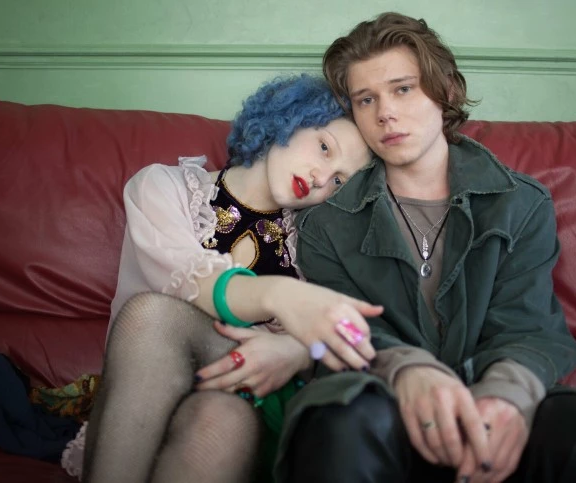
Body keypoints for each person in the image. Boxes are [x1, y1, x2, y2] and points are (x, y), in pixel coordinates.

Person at [276, 12, 576, 483]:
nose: (385, 113)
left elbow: (528, 325)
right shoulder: (327, 223)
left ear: (444, 90)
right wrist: (410, 372)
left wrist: (504, 399)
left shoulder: (521, 204)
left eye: (403, 89)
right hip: (384, 406)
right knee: (339, 424)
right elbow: (345, 326)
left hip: (498, 402)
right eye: (366, 99)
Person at [62, 74, 381, 483]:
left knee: (224, 416)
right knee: (155, 317)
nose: (322, 177)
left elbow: (349, 335)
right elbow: (193, 285)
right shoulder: (162, 188)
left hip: (259, 399)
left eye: (339, 181)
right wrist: (279, 295)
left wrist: (298, 350)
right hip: (150, 394)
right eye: (324, 147)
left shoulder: (313, 244)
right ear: (290, 118)